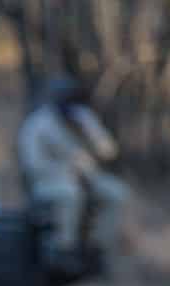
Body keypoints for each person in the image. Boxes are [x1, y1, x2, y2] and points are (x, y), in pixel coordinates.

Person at [16, 77, 128, 271]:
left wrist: (91, 131)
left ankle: (97, 248)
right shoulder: (39, 124)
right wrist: (67, 170)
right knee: (70, 194)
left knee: (117, 193)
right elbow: (32, 164)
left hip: (87, 178)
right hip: (50, 180)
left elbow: (109, 152)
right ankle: (64, 249)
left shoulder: (85, 119)